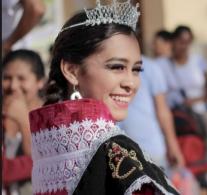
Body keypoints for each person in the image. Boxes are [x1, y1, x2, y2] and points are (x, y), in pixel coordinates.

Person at [29, 1, 179, 195]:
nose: (131, 83)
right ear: (71, 70)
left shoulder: (47, 141)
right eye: (117, 67)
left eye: (136, 70)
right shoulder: (114, 150)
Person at [157, 25, 207, 195]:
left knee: (198, 160)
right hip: (175, 119)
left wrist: (193, 101)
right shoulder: (162, 64)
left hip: (197, 118)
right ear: (173, 42)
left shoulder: (198, 61)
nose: (183, 46)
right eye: (180, 42)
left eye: (187, 42)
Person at [119, 55, 184, 171]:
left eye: (136, 71)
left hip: (151, 151)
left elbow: (162, 110)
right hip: (119, 153)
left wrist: (173, 145)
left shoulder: (150, 68)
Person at [2, 49, 46, 195]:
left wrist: (23, 120)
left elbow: (45, 165)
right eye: (7, 78)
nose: (13, 86)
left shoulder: (53, 116)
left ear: (40, 82)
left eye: (21, 78)